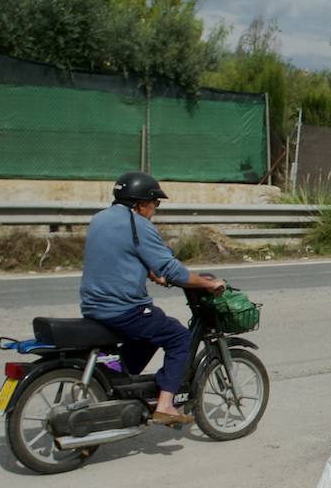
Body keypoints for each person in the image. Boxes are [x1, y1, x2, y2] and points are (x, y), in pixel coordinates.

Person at [80, 172, 225, 426]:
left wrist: (148, 271)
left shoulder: (99, 219)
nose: (154, 210)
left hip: (93, 307)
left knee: (150, 332)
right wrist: (207, 283)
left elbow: (119, 254)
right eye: (154, 204)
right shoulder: (138, 224)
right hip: (123, 310)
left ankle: (116, 383)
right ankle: (166, 405)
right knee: (178, 336)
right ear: (140, 203)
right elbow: (171, 269)